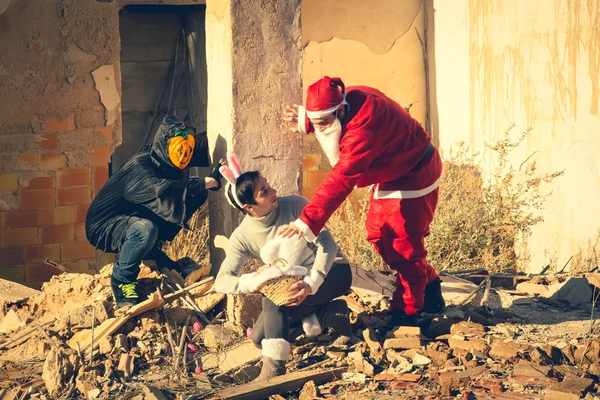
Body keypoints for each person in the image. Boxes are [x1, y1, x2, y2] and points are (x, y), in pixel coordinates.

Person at [280, 76, 445, 326]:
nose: (320, 129)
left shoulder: (363, 129)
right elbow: (331, 126)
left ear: (341, 109)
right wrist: (310, 121)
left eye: (324, 123)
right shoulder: (348, 98)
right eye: (316, 123)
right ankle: (429, 285)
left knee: (403, 245)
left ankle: (408, 311)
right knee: (379, 234)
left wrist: (306, 222)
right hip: (393, 170)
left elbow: (341, 178)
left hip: (415, 173)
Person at [214, 153, 353, 381]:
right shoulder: (243, 236)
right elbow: (222, 280)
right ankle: (330, 315)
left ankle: (274, 370)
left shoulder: (295, 205)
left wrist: (311, 283)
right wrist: (252, 280)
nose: (273, 192)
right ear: (249, 207)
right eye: (264, 192)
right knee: (259, 338)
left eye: (268, 185)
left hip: (333, 272)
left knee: (270, 302)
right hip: (293, 286)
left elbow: (328, 245)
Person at [85, 116, 223, 308]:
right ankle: (122, 282)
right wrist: (209, 182)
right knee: (145, 229)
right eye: (180, 151)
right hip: (104, 224)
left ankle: (153, 254)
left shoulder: (164, 157)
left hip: (133, 214)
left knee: (194, 193)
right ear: (167, 147)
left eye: (187, 151)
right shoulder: (141, 167)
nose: (184, 157)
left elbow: (202, 145)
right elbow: (161, 190)